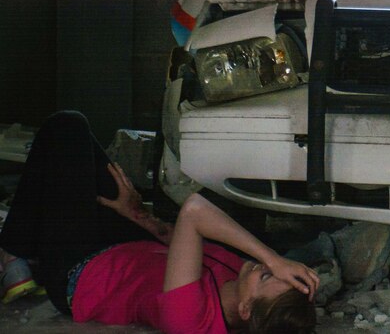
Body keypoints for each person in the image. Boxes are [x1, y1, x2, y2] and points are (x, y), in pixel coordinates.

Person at [0, 110, 319, 332]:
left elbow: (194, 211)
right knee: (87, 155)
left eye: (266, 277)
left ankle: (12, 254)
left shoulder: (189, 319)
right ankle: (22, 251)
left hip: (81, 273)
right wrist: (137, 214)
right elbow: (178, 239)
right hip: (126, 246)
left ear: (246, 310)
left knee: (66, 126)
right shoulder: (239, 280)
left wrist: (273, 258)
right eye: (274, 271)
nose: (265, 268)